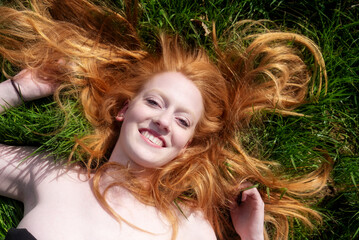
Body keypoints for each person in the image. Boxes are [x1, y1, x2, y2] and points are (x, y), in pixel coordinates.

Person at [0, 0, 331, 239]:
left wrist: (252, 238)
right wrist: (18, 88)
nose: (163, 120)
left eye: (183, 121)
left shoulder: (192, 227)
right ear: (124, 110)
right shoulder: (52, 175)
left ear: (186, 146)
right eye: (155, 102)